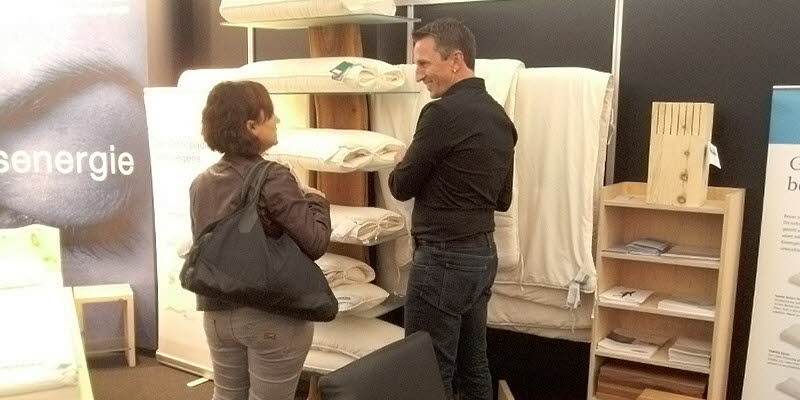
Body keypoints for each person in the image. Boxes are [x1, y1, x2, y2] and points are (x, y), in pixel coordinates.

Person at [388, 18, 517, 400]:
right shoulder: (501, 119)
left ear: (456, 60)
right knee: (474, 367)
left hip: (443, 260)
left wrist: (403, 160)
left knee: (427, 372)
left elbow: (401, 186)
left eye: (424, 63)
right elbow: (502, 199)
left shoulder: (440, 114)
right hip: (482, 257)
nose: (418, 75)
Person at [190, 80, 331, 400]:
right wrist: (317, 201)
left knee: (226, 395)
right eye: (270, 114)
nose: (277, 120)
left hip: (217, 314)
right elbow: (315, 242)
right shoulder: (274, 177)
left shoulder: (201, 183)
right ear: (251, 125)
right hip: (270, 314)